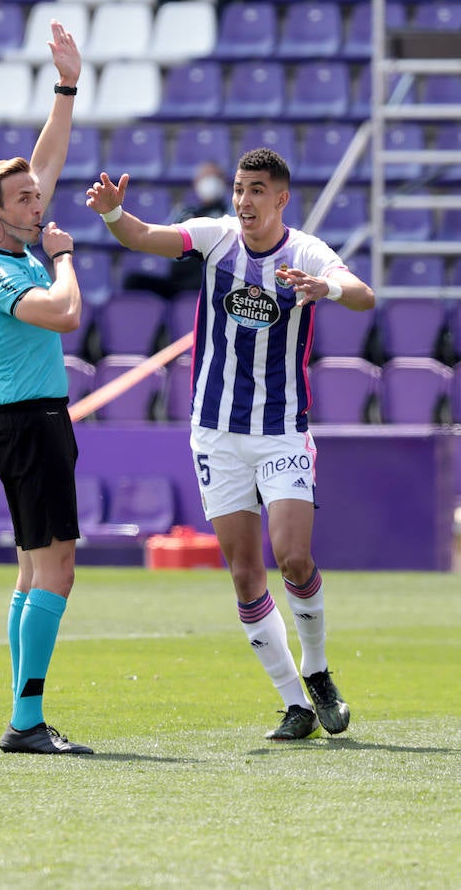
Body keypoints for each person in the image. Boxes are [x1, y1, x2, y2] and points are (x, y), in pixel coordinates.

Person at [86, 148, 374, 741]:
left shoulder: (305, 252)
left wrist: (327, 287)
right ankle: (295, 702)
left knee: (292, 556)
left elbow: (362, 292)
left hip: (280, 429)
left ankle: (317, 669)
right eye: (240, 189)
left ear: (280, 199)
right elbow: (145, 237)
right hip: (215, 433)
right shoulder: (215, 238)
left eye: (256, 190)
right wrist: (116, 215)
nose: (244, 200)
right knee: (246, 574)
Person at [0, 20, 92, 755]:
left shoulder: (6, 244)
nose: (38, 203)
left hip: (29, 422)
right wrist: (65, 256)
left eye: (37, 198)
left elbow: (49, 156)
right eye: (25, 199)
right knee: (56, 569)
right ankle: (26, 720)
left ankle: (23, 712)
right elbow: (66, 314)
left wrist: (66, 86)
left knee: (30, 569)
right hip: (30, 426)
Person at [123, 161, 229, 299]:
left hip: (207, 278)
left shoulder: (230, 214)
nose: (210, 182)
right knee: (133, 281)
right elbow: (159, 235)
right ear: (196, 182)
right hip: (178, 280)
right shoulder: (184, 212)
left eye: (214, 177)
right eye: (205, 177)